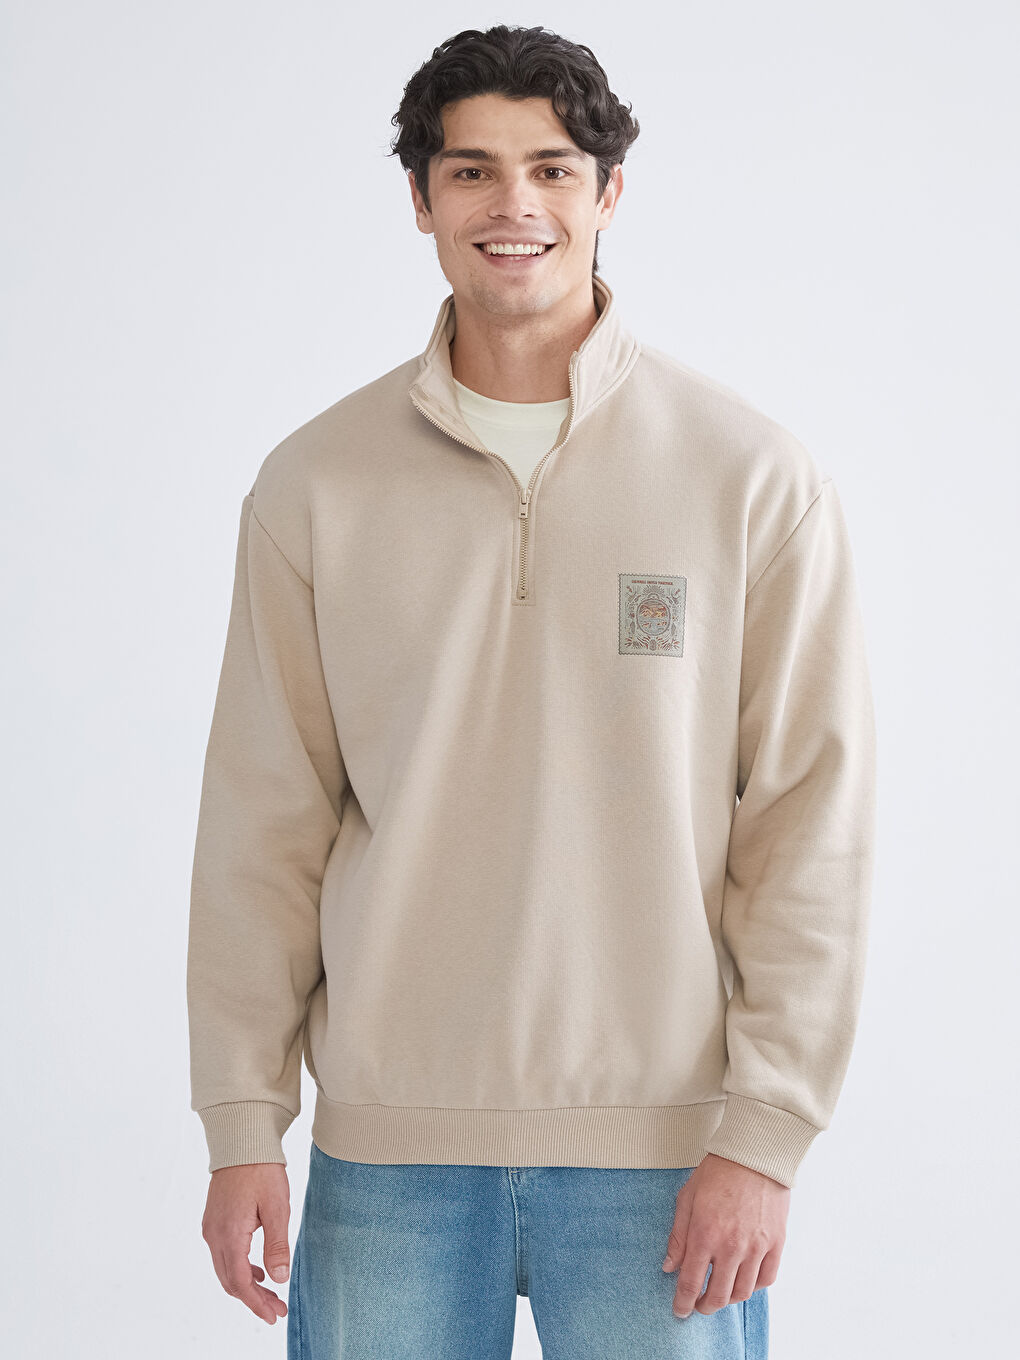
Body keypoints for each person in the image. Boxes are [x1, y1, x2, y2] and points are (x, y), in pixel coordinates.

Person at [187, 24, 876, 1360]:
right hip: (385, 1156)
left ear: (610, 192)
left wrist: (766, 1135)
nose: (515, 204)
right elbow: (262, 823)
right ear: (421, 199)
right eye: (473, 171)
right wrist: (240, 1121)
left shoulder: (751, 478)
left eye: (553, 169)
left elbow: (811, 827)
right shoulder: (315, 484)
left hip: (669, 1157)